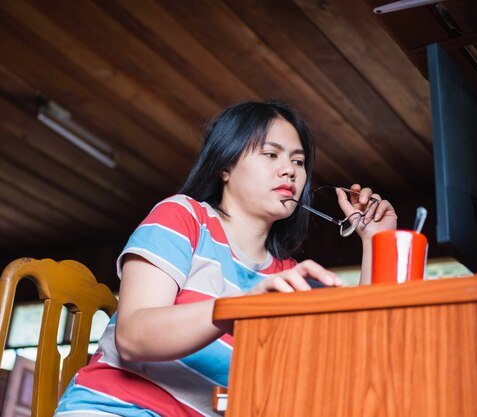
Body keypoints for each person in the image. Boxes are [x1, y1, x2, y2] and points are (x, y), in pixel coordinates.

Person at [55, 101, 397, 417]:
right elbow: (132, 337)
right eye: (270, 154)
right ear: (225, 167)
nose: (290, 171)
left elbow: (354, 361)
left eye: (298, 161)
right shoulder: (183, 217)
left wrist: (378, 243)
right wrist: (240, 307)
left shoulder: (288, 276)